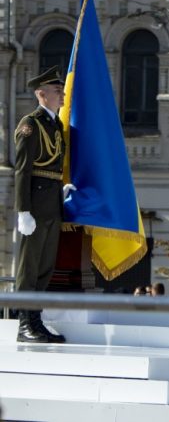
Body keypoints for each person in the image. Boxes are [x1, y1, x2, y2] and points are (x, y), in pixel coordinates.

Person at [15, 65, 73, 344]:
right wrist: (23, 210)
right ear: (41, 94)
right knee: (29, 267)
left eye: (61, 91)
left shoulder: (56, 124)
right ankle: (24, 324)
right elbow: (23, 170)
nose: (62, 95)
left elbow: (52, 166)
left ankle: (36, 321)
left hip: (51, 203)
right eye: (57, 91)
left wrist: (61, 188)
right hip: (35, 206)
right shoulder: (31, 124)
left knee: (44, 267)